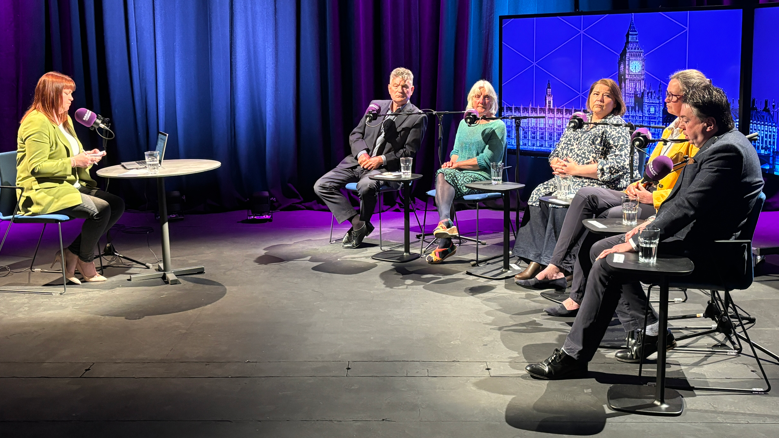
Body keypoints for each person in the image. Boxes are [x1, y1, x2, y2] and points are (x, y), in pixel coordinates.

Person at [525, 84, 764, 380]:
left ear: (709, 123)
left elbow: (688, 208)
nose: (683, 129)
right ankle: (651, 330)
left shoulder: (726, 151)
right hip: (695, 238)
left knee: (609, 261)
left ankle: (574, 355)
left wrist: (638, 241)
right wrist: (647, 225)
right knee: (600, 249)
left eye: (687, 122)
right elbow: (683, 203)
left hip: (709, 254)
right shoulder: (720, 142)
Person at [516, 70, 708, 321]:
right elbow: (653, 171)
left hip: (654, 202)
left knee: (597, 219)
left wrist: (654, 197)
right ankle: (555, 265)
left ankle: (578, 295)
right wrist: (638, 185)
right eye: (595, 94)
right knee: (576, 196)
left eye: (672, 95)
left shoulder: (696, 134)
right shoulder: (671, 128)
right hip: (637, 192)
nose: (666, 100)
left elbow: (690, 190)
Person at [512, 79, 635, 281]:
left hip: (598, 184)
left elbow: (619, 164)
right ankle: (537, 258)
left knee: (564, 199)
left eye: (606, 95)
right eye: (596, 94)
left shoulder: (618, 126)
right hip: (568, 178)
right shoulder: (579, 122)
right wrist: (557, 164)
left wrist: (578, 169)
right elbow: (556, 152)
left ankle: (563, 264)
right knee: (538, 194)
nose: (600, 99)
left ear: (616, 102)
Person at [16, 72, 125, 284]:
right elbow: (37, 167)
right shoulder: (36, 123)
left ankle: (71, 252)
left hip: (68, 184)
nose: (72, 98)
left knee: (116, 204)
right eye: (67, 93)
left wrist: (88, 156)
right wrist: (75, 162)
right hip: (43, 190)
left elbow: (71, 151)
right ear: (52, 94)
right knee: (100, 210)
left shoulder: (63, 119)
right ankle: (85, 260)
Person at [314, 67, 427, 249]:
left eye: (405, 86)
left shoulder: (417, 117)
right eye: (396, 86)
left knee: (366, 186)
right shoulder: (376, 106)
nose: (400, 90)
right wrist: (362, 154)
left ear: (411, 90)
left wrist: (380, 159)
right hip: (358, 162)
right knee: (321, 185)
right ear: (389, 88)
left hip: (384, 168)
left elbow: (408, 152)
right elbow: (356, 134)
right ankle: (359, 224)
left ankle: (361, 225)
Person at [425, 80, 506, 263]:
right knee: (443, 172)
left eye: (486, 97)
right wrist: (451, 163)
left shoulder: (498, 126)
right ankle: (445, 226)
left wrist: (457, 166)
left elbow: (488, 161)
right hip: (459, 173)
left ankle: (445, 240)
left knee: (446, 175)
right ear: (471, 99)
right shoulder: (465, 123)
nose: (481, 101)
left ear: (492, 100)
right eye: (477, 96)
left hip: (485, 176)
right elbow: (455, 152)